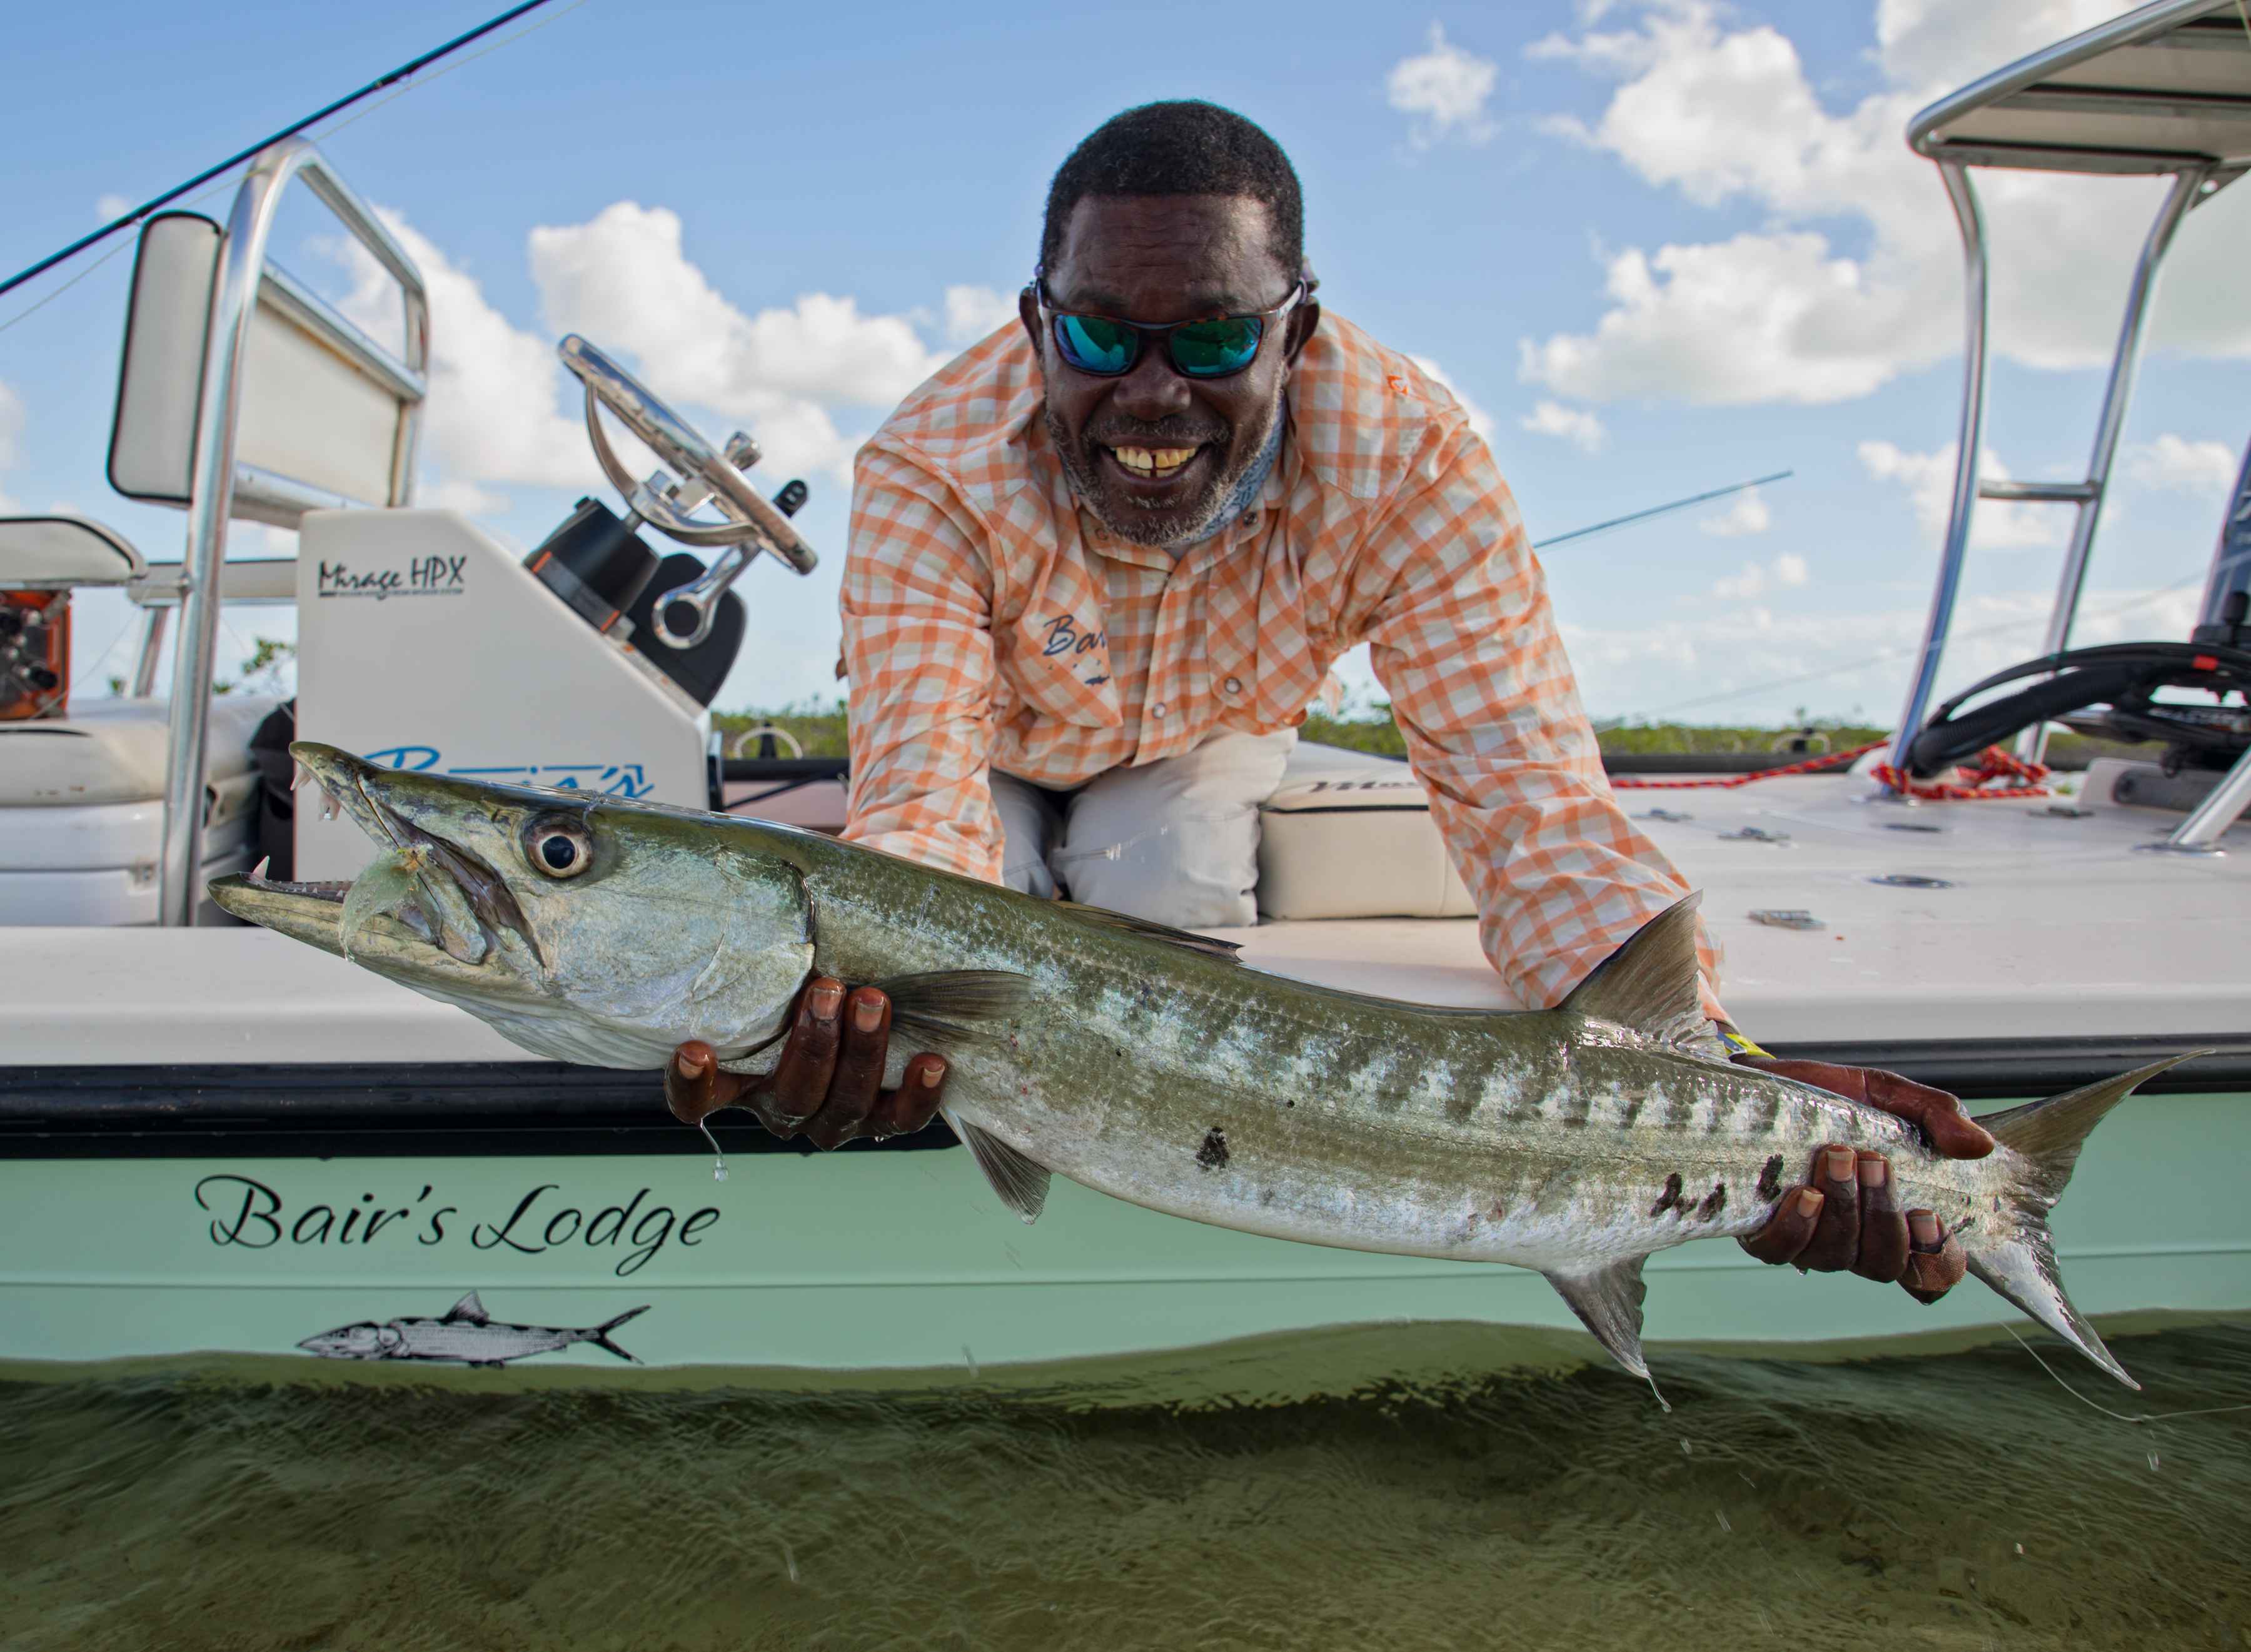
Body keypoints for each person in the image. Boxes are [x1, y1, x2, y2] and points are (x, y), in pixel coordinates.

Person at [669, 101, 1985, 1302]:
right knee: (951, 932)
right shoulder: (927, 464)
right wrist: (845, 1006)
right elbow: (920, 816)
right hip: (993, 749)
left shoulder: (1415, 459)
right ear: (1035, 324)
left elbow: (1536, 818)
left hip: (1202, 743)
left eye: (1217, 339)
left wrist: (1722, 1072)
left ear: (1295, 332)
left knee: (1165, 882)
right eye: (1097, 335)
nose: (1149, 394)